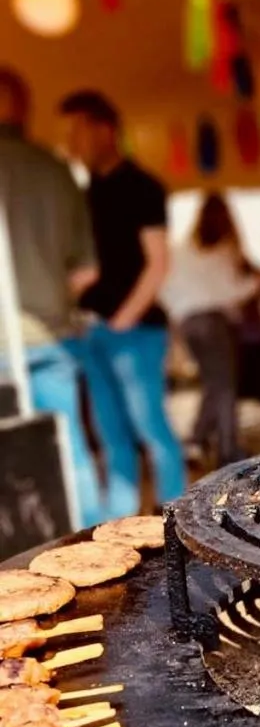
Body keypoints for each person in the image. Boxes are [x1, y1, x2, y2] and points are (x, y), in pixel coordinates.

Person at [58, 90, 185, 517]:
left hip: (135, 331)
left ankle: (174, 521)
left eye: (77, 131)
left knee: (151, 430)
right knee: (111, 437)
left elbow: (158, 262)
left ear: (104, 130)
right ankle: (117, 526)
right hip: (91, 330)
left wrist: (122, 319)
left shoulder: (142, 186)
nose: (71, 143)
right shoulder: (83, 194)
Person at [0, 68, 104, 528]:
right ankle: (96, 550)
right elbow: (87, 270)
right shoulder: (56, 169)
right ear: (25, 109)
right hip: (51, 337)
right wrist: (54, 298)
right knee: (71, 454)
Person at [163, 192, 260, 466]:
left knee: (213, 384)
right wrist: (258, 283)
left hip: (188, 322)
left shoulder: (182, 251)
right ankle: (228, 450)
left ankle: (196, 441)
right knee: (225, 387)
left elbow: (166, 290)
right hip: (215, 322)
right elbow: (230, 292)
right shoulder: (224, 249)